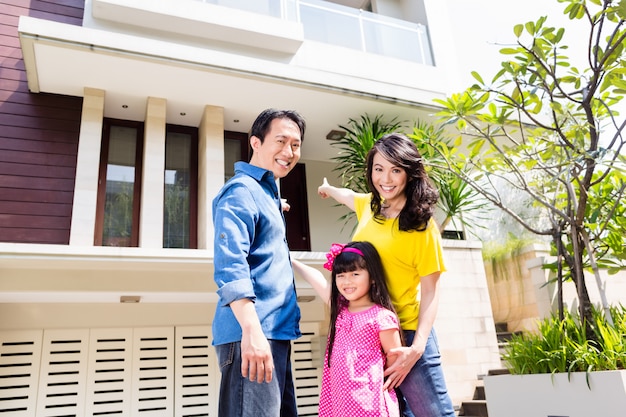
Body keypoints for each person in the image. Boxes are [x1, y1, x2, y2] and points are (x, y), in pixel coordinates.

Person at [317, 133, 456, 417]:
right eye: (379, 169)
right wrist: (328, 189)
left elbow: (431, 290)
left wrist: (416, 349)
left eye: (396, 170)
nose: (386, 179)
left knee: (434, 414)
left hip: (405, 334)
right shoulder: (371, 205)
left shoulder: (422, 226)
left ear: (410, 173)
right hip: (368, 335)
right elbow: (349, 197)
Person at [212, 108, 306, 417]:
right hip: (253, 332)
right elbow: (230, 266)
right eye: (280, 141)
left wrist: (273, 205)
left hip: (274, 332)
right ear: (255, 143)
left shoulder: (264, 193)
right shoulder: (241, 191)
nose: (288, 152)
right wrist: (252, 331)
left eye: (295, 144)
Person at [292, 241, 403, 417]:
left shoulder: (382, 317)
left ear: (373, 277)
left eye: (355, 274)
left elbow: (395, 360)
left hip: (371, 403)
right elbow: (316, 278)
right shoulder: (340, 309)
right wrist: (291, 259)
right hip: (340, 402)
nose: (347, 281)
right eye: (340, 275)